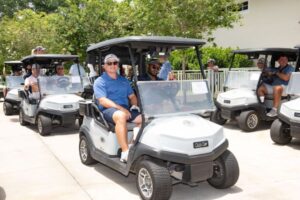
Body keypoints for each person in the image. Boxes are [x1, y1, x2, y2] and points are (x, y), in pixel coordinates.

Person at [93, 54, 142, 162]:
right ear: (104, 66)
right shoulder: (100, 81)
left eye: (115, 63)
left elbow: (132, 96)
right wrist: (121, 109)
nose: (112, 65)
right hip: (108, 110)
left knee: (146, 119)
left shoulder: (123, 80)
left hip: (125, 109)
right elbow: (102, 100)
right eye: (109, 63)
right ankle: (125, 152)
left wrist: (134, 105)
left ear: (118, 65)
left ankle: (131, 145)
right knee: (121, 115)